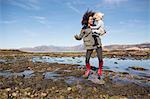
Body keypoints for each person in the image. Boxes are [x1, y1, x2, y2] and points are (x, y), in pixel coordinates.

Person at [74, 10, 105, 83]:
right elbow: (80, 37)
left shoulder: (96, 26)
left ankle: (100, 69)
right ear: (87, 20)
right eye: (90, 19)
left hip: (98, 44)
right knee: (87, 59)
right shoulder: (84, 29)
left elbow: (102, 31)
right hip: (89, 45)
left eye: (92, 19)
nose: (92, 20)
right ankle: (88, 70)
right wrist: (76, 37)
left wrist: (103, 32)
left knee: (100, 59)